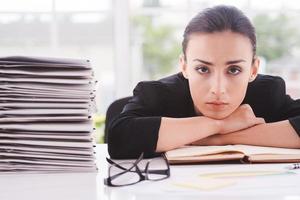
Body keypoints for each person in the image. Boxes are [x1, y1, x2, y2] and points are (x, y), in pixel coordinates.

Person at [107, 5, 300, 159]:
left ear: (253, 70)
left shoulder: (268, 93)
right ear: (184, 66)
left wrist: (220, 138)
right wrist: (221, 124)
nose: (218, 89)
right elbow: (119, 138)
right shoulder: (157, 94)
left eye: (234, 70)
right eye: (203, 69)